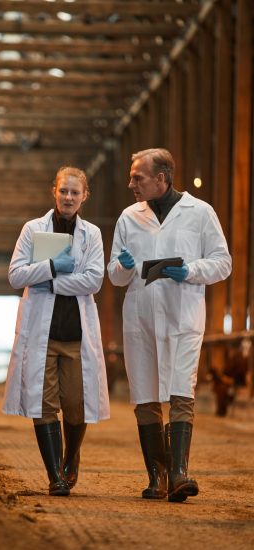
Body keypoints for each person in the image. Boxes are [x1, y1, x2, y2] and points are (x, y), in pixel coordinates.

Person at [107, 148, 231, 502]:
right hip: (141, 318)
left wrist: (191, 270)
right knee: (146, 397)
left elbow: (223, 263)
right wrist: (124, 266)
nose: (132, 183)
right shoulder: (129, 217)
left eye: (138, 177)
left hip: (183, 316)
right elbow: (114, 275)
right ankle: (156, 477)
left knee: (181, 392)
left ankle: (179, 474)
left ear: (161, 179)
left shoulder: (201, 213)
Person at [3, 166, 109, 497]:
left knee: (76, 405)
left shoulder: (91, 234)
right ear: (54, 191)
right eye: (63, 191)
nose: (68, 197)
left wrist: (49, 282)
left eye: (74, 192)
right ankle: (55, 476)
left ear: (84, 196)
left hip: (77, 336)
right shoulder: (33, 229)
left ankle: (70, 457)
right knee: (44, 404)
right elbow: (16, 275)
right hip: (42, 336)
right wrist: (49, 266)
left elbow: (94, 280)